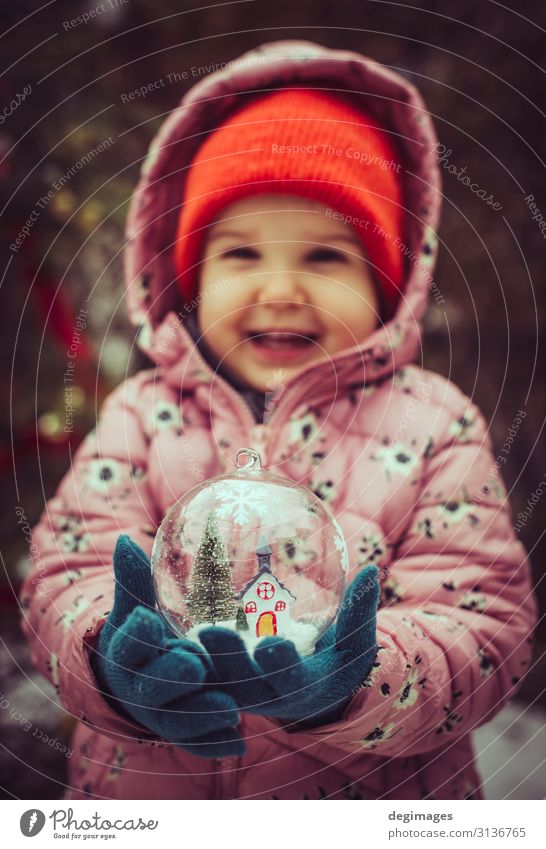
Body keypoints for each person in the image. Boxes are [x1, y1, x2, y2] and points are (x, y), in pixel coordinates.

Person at [20, 39, 537, 801]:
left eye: (326, 256)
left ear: (385, 284)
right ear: (190, 276)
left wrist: (358, 681)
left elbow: (488, 619)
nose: (281, 288)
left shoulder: (433, 424)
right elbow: (65, 571)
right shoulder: (143, 416)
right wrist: (110, 658)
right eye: (241, 254)